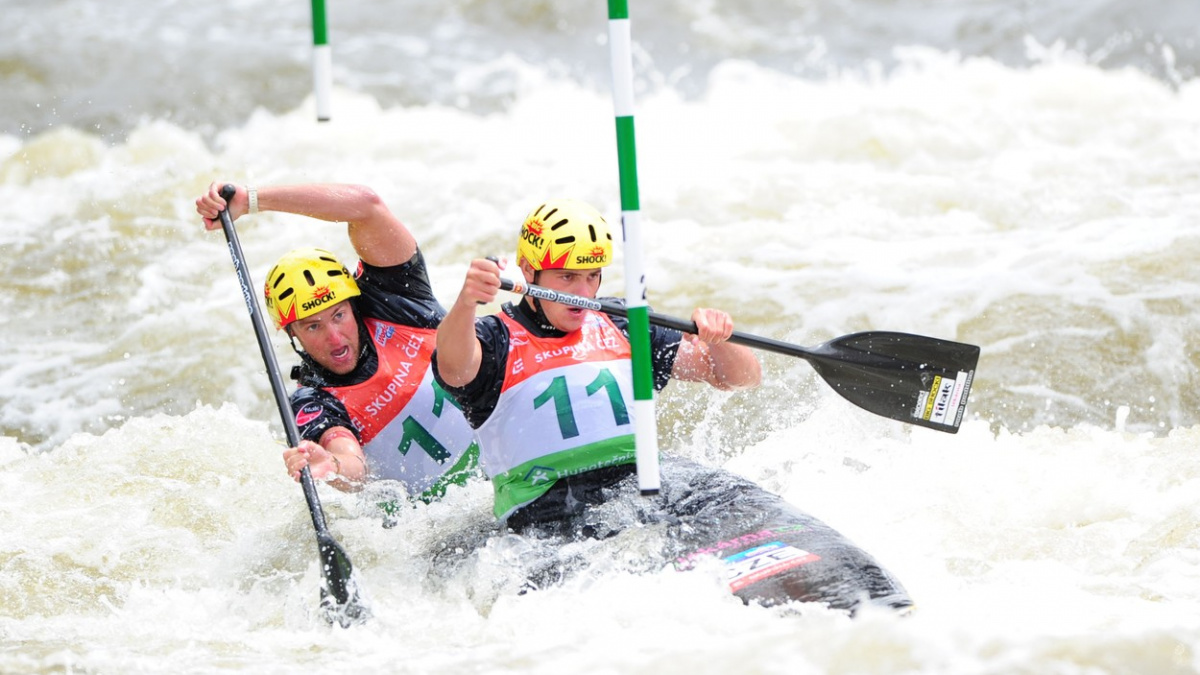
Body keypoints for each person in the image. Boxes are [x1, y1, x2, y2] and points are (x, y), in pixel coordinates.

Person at [431, 198, 761, 530]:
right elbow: (454, 369)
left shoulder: (623, 323)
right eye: (567, 277)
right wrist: (467, 302)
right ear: (529, 270)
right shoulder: (494, 341)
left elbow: (740, 378)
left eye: (592, 276)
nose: (583, 292)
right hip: (549, 512)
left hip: (641, 485)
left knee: (741, 496)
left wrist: (719, 339)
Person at [195, 182, 479, 503]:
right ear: (292, 334)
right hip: (448, 518)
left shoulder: (398, 298)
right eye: (313, 326)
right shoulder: (313, 401)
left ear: (353, 304)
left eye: (339, 315)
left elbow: (367, 206)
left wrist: (251, 201)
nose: (334, 337)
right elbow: (354, 466)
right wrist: (330, 464)